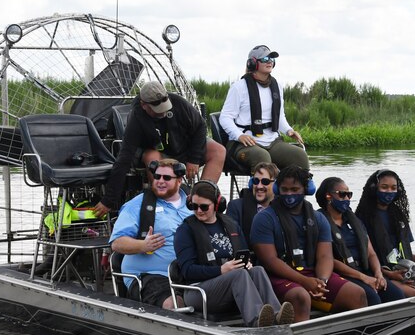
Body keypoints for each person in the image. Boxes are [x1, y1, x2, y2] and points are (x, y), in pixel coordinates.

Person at [249, 165, 367, 322]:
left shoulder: (318, 218)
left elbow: (325, 256)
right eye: (285, 190)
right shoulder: (264, 218)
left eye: (295, 189)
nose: (289, 194)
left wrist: (322, 281)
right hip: (278, 276)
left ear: (307, 189)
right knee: (300, 297)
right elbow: (270, 261)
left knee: (357, 294)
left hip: (312, 275)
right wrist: (304, 282)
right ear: (278, 190)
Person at [94, 81, 225, 217]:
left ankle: (202, 198)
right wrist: (108, 200)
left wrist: (194, 159)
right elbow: (124, 158)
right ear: (144, 105)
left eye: (165, 107)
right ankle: (166, 204)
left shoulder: (178, 102)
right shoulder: (136, 119)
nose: (163, 112)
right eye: (158, 110)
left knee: (218, 150)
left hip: (184, 147)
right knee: (152, 157)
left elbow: (200, 126)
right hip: (157, 153)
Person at [173, 180, 294, 327]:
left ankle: (276, 316)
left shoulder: (230, 224)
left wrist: (246, 263)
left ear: (217, 204)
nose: (198, 210)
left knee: (257, 270)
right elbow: (187, 271)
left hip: (229, 285)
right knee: (239, 275)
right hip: (198, 291)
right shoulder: (185, 230)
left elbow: (243, 253)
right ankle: (257, 321)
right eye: (193, 206)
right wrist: (221, 270)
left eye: (204, 206)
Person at [109, 158, 192, 308]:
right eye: (157, 176)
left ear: (179, 180)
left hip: (190, 272)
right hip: (150, 276)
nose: (160, 181)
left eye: (166, 178)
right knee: (174, 304)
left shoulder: (194, 204)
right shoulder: (137, 205)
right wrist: (143, 245)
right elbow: (117, 243)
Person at [355, 169, 415, 296]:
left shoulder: (398, 215)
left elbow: (404, 255)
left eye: (393, 188)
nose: (389, 191)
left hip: (403, 271)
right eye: (384, 187)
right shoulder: (363, 217)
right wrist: (391, 274)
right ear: (374, 189)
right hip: (383, 274)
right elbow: (365, 259)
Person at [315, 177, 407, 305]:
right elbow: (329, 259)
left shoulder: (354, 221)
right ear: (328, 196)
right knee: (372, 297)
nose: (347, 199)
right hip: (344, 274)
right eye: (342, 195)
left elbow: (371, 253)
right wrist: (363, 278)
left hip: (365, 270)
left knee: (396, 295)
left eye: (349, 194)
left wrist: (378, 274)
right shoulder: (320, 221)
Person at [218, 45, 309, 173]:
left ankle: (291, 191)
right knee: (262, 157)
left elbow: (279, 116)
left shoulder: (277, 86)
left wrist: (289, 130)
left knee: (300, 156)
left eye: (272, 59)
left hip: (272, 142)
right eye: (265, 58)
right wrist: (239, 136)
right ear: (252, 63)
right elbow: (225, 118)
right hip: (245, 144)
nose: (270, 61)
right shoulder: (239, 87)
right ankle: (260, 190)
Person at [225, 162, 279, 243]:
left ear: (276, 185)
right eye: (256, 181)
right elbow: (233, 241)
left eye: (265, 182)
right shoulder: (236, 207)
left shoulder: (283, 208)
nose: (259, 186)